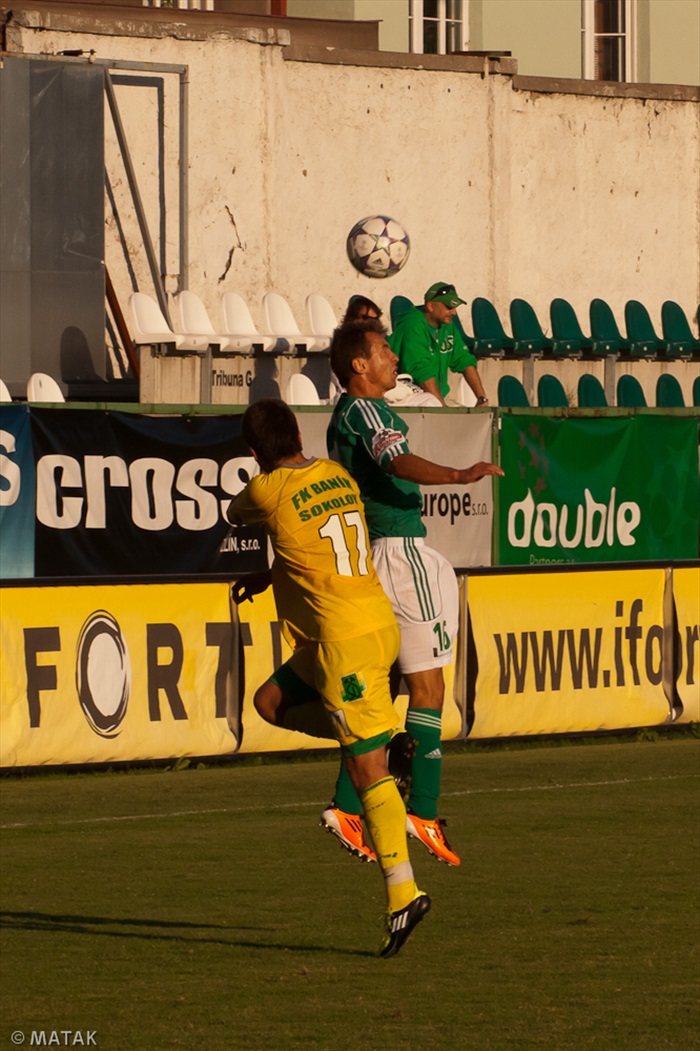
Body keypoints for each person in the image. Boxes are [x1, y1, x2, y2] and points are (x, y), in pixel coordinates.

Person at [227, 398, 430, 958]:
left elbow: (234, 513)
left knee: (367, 773)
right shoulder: (335, 474)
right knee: (269, 702)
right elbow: (317, 543)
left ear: (252, 452)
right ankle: (385, 741)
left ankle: (402, 894)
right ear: (298, 434)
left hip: (344, 645)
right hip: (364, 625)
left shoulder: (264, 491)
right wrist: (272, 576)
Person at [321, 319, 504, 867]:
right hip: (399, 555)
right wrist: (458, 475)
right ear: (359, 365)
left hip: (374, 558)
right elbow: (395, 461)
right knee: (429, 688)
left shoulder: (344, 416)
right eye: (383, 351)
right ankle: (421, 810)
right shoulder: (366, 410)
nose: (394, 359)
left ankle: (347, 804)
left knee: (392, 686)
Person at [390, 282, 489, 406]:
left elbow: (464, 359)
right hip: (409, 399)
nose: (454, 312)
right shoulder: (412, 326)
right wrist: (442, 410)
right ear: (431, 306)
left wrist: (481, 398)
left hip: (434, 398)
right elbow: (421, 371)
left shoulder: (447, 326)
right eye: (449, 307)